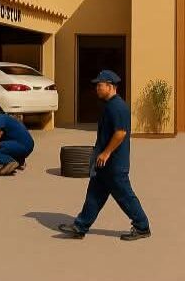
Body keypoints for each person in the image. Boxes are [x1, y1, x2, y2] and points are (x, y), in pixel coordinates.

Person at [58, 70, 151, 241]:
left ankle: (142, 226)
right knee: (94, 195)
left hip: (114, 164)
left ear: (109, 86)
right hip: (104, 163)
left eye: (99, 85)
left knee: (125, 196)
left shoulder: (117, 107)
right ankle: (80, 227)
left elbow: (120, 133)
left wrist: (106, 153)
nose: (97, 88)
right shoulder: (109, 105)